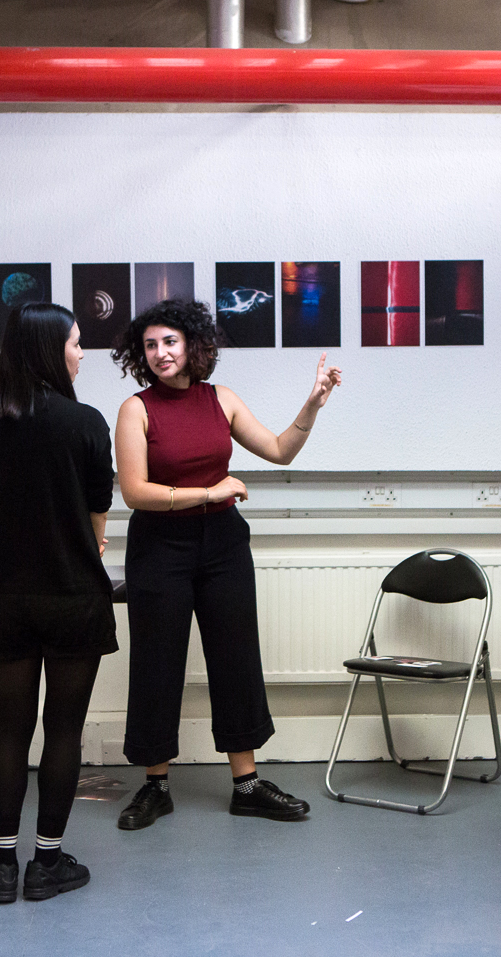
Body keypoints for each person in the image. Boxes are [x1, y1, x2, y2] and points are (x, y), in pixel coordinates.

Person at [111, 299, 341, 829]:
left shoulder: (222, 399)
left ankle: (247, 783)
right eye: (150, 345)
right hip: (159, 547)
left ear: (193, 344)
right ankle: (155, 786)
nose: (160, 353)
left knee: (236, 658)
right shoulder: (135, 409)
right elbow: (135, 492)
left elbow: (281, 451)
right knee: (156, 663)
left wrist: (313, 405)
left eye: (169, 341)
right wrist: (208, 491)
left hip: (223, 545)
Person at [0, 303, 116, 904]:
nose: (81, 353)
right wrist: (88, 536)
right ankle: (46, 864)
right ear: (52, 350)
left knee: (11, 730)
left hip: (4, 597)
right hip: (74, 596)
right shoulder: (86, 423)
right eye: (77, 343)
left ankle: (0, 865)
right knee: (64, 730)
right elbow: (98, 502)